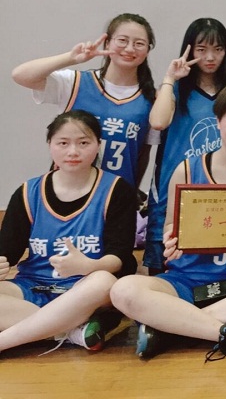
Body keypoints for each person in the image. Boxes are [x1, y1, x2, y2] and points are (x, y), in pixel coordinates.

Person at [110, 84, 226, 364]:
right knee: (123, 290)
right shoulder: (187, 169)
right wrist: (171, 241)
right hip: (185, 280)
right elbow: (170, 226)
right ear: (218, 122)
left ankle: (170, 328)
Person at [0, 111, 137, 355]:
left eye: (83, 143)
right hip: (33, 286)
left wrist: (87, 265)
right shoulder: (28, 192)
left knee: (104, 281)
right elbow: (7, 251)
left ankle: (8, 340)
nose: (73, 152)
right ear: (50, 145)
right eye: (63, 143)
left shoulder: (117, 190)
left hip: (84, 290)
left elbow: (119, 256)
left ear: (98, 145)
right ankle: (71, 331)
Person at [11, 13, 159, 189]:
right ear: (107, 43)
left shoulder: (151, 99)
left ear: (148, 50)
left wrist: (132, 193)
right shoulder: (75, 82)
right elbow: (21, 75)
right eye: (122, 40)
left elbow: (142, 154)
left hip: (116, 194)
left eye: (139, 43)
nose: (129, 48)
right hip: (68, 191)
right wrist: (71, 58)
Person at [144, 18, 226, 274]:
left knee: (211, 270)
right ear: (189, 49)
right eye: (201, 49)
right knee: (162, 270)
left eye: (218, 49)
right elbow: (158, 122)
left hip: (218, 195)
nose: (210, 57)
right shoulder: (174, 90)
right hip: (172, 191)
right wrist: (169, 78)